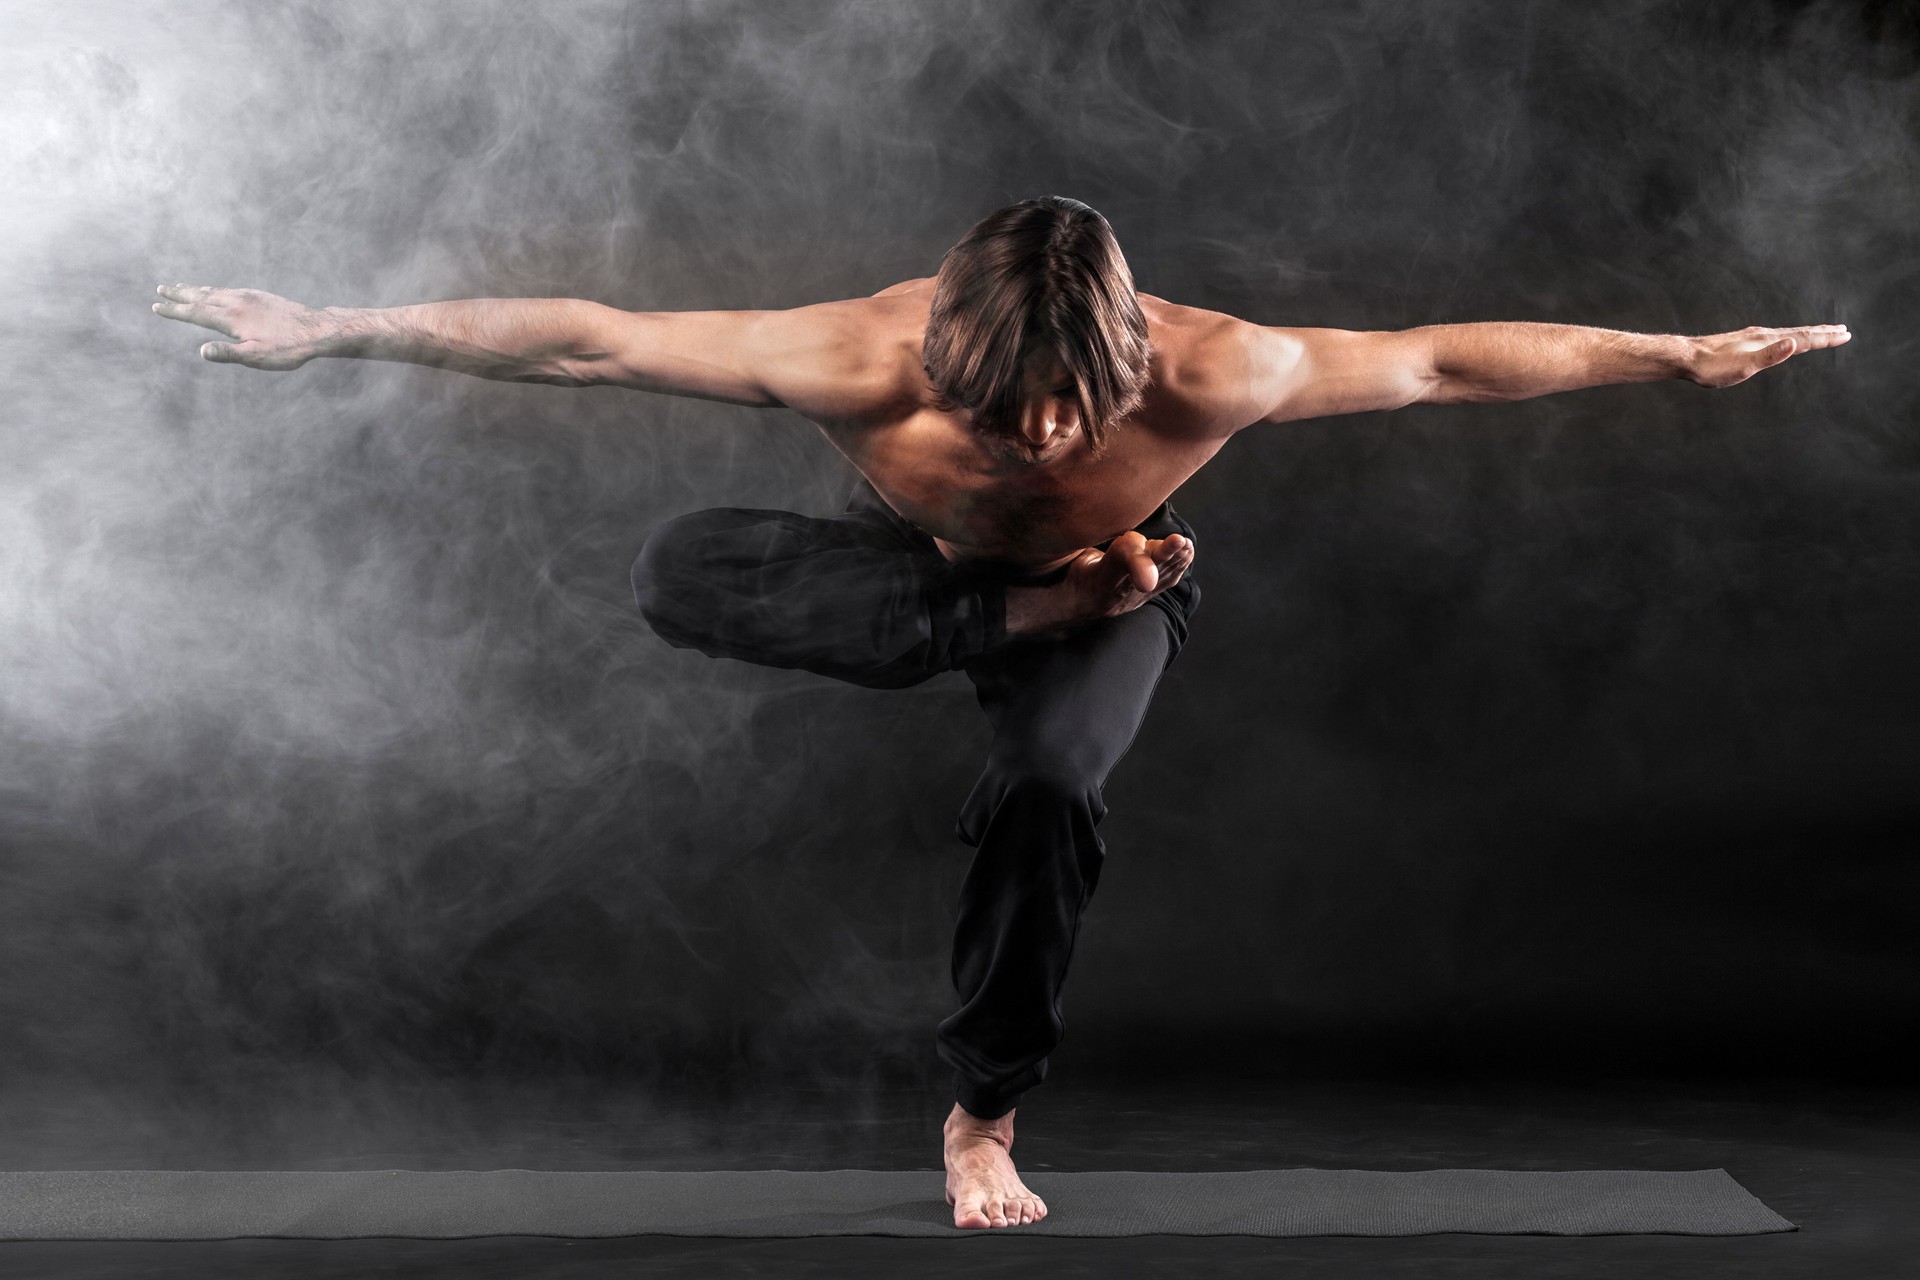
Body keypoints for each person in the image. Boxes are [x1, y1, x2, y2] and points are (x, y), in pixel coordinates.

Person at [152, 195, 1848, 1230]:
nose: (1036, 438)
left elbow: (1441, 362)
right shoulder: (852, 352)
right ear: (938, 362)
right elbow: (586, 342)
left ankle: (983, 1117)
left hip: (1115, 587)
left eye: (1068, 409)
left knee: (1049, 786)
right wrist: (337, 329)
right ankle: (1023, 605)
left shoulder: (1220, 363)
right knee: (680, 567)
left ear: (1130, 360)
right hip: (921, 577)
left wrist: (1674, 354)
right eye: (998, 409)